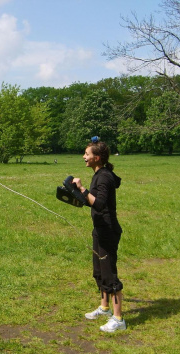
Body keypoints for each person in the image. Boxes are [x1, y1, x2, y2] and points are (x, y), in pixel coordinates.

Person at [72, 137, 126, 332]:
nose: (84, 157)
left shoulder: (104, 176)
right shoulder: (99, 174)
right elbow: (92, 201)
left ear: (97, 157)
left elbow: (101, 203)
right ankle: (104, 308)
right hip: (99, 228)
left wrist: (82, 188)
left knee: (109, 272)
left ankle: (118, 319)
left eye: (87, 154)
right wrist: (75, 194)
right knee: (99, 270)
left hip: (108, 230)